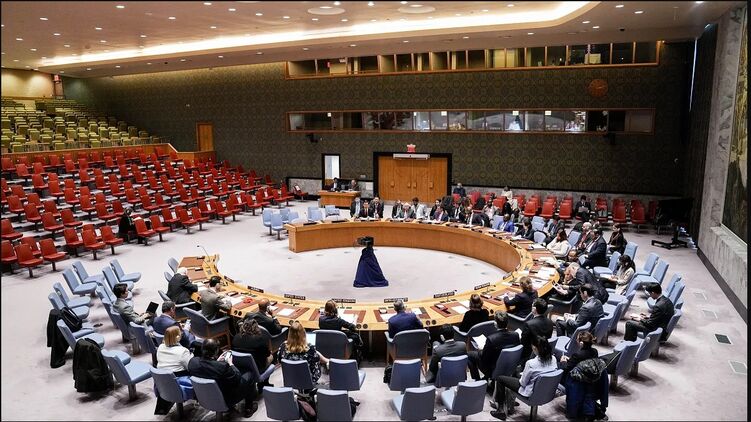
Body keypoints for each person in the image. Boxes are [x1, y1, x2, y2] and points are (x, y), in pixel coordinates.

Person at [491, 335, 558, 420]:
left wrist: (522, 376)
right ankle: (510, 403)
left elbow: (522, 383)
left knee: (500, 379)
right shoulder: (554, 359)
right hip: (546, 391)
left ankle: (500, 411)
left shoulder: (531, 363)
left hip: (530, 392)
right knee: (516, 374)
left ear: (534, 348)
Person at [188, 338, 257, 417]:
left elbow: (207, 369)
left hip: (204, 397)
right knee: (249, 375)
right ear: (216, 351)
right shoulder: (222, 367)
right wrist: (231, 363)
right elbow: (237, 378)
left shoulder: (192, 362)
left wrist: (216, 362)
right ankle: (249, 408)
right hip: (225, 398)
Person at [468, 311, 520, 381]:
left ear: (495, 324)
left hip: (492, 369)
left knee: (470, 355)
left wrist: (481, 349)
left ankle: (478, 381)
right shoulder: (516, 335)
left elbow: (484, 359)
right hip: (510, 365)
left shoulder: (491, 339)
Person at [154, 326, 194, 414]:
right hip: (180, 381)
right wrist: (192, 356)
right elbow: (189, 367)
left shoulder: (160, 347)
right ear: (178, 337)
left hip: (162, 382)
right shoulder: (183, 351)